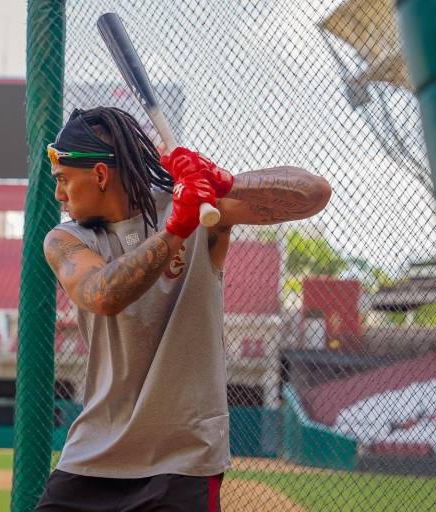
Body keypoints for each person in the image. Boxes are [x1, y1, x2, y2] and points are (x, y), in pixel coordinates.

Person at [36, 106, 331, 511]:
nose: (59, 194)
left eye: (64, 180)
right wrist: (178, 227)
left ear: (100, 175)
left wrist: (223, 181)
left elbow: (314, 193)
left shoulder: (197, 203)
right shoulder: (65, 239)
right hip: (93, 455)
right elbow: (103, 295)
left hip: (183, 461)